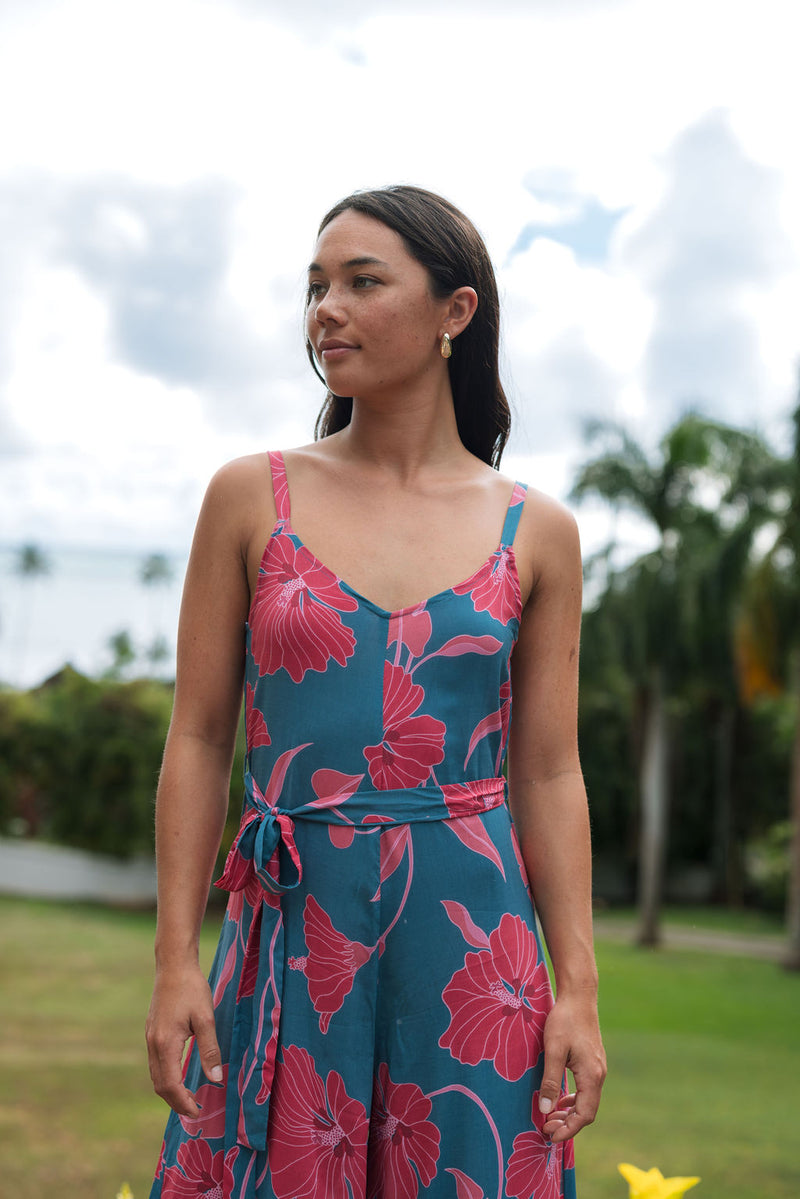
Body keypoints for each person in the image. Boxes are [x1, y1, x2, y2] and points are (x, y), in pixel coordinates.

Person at [145, 184, 606, 1199]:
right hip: (290, 927)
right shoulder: (247, 494)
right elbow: (199, 736)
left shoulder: (536, 531)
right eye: (315, 286)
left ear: (454, 312)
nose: (326, 309)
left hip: (472, 940)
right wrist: (177, 958)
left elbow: (547, 766)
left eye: (362, 282)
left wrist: (576, 987)